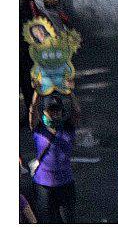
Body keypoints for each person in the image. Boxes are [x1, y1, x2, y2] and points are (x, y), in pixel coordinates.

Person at [28, 93, 77, 223]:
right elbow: (32, 110)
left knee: (68, 221)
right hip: (43, 185)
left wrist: (69, 91)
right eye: (51, 110)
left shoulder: (67, 128)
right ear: (44, 112)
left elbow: (77, 110)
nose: (54, 113)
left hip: (65, 183)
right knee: (47, 221)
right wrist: (37, 92)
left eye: (57, 109)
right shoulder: (38, 129)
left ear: (62, 111)